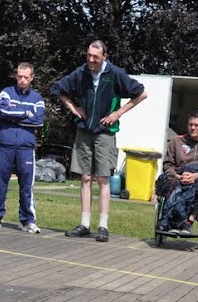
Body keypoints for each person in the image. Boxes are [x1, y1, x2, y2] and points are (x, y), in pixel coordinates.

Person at [52, 40, 147, 242]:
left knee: (103, 178)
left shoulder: (115, 74)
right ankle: (84, 224)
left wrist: (118, 113)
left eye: (95, 56)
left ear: (105, 57)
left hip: (105, 132)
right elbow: (58, 89)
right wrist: (74, 108)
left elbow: (142, 93)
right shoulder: (81, 72)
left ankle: (103, 226)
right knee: (85, 178)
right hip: (85, 131)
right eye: (88, 55)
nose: (91, 60)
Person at [0, 62, 46, 232]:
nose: (22, 80)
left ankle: (28, 221)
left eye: (26, 77)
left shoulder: (37, 99)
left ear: (32, 78)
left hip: (26, 147)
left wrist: (16, 114)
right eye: (20, 76)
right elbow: (4, 112)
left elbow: (39, 120)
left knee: (26, 186)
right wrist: (26, 113)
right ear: (16, 76)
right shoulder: (6, 93)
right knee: (0, 183)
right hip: (5, 145)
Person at [156, 109, 198, 234]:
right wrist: (178, 176)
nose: (193, 128)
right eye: (190, 125)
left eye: (197, 125)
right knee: (171, 186)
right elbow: (168, 165)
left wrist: (196, 176)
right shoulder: (176, 141)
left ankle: (189, 221)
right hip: (178, 176)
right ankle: (169, 220)